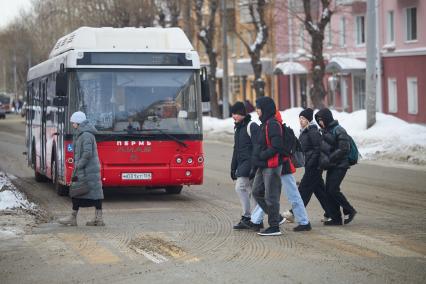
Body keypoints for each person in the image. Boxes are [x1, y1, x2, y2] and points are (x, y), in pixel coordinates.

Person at [282, 108, 330, 223]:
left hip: (314, 166)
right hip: (311, 165)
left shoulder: (312, 131)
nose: (301, 121)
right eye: (300, 118)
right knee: (320, 191)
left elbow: (318, 149)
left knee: (304, 189)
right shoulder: (305, 131)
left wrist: (311, 161)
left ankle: (293, 213)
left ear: (308, 120)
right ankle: (331, 213)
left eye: (303, 118)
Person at [58, 111, 105, 226]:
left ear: (78, 123)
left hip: (87, 170)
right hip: (88, 170)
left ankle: (73, 218)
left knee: (77, 192)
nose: (72, 124)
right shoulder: (82, 134)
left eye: (73, 122)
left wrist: (79, 165)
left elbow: (87, 153)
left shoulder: (86, 135)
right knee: (94, 194)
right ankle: (98, 219)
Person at [315, 108, 357, 226]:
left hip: (341, 165)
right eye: (318, 121)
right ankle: (336, 218)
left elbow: (344, 148)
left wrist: (330, 158)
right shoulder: (326, 131)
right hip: (332, 166)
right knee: (329, 191)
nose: (320, 122)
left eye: (322, 120)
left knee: (333, 189)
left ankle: (349, 209)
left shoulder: (339, 130)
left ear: (327, 118)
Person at [252, 97, 284, 236]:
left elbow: (277, 146)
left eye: (258, 108)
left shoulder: (273, 124)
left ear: (265, 109)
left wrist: (262, 155)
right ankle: (276, 218)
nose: (256, 111)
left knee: (271, 197)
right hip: (262, 165)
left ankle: (274, 226)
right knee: (256, 192)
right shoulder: (264, 123)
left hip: (271, 165)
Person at [275, 110, 312, 231]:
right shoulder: (271, 128)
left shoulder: (281, 131)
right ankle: (256, 219)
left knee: (293, 195)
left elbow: (285, 150)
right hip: (275, 167)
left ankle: (304, 222)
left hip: (283, 167)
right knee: (265, 194)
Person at [230, 102, 261, 230]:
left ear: (242, 113)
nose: (234, 116)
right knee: (250, 191)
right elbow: (236, 150)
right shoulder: (238, 128)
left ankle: (249, 217)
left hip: (250, 163)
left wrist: (255, 166)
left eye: (236, 114)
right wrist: (233, 167)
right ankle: (254, 218)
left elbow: (257, 147)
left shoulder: (251, 126)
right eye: (232, 114)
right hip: (242, 163)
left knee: (241, 187)